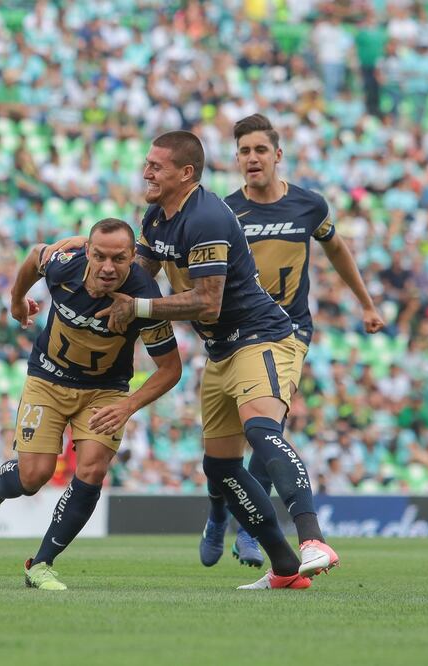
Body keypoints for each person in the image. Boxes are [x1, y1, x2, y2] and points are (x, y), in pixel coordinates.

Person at [47, 131, 334, 590]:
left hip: (261, 337)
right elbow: (138, 276)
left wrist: (138, 309)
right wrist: (94, 260)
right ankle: (284, 569)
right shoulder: (156, 217)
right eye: (147, 163)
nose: (146, 172)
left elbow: (208, 303)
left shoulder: (205, 218)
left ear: (185, 173)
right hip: (220, 351)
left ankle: (313, 540)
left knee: (261, 429)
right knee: (220, 468)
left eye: (155, 166)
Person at [198, 114, 386, 568]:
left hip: (288, 331)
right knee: (223, 449)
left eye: (260, 150)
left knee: (266, 428)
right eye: (244, 151)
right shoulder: (224, 213)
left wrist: (365, 302)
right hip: (236, 334)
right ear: (236, 159)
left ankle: (249, 529)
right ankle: (218, 513)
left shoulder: (309, 206)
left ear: (277, 155)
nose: (252, 158)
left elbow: (336, 248)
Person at [0, 219, 182, 590]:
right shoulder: (65, 264)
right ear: (88, 252)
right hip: (48, 379)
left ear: (133, 257)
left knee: (92, 470)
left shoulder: (144, 296)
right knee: (34, 477)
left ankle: (41, 564)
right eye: (100, 256)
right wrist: (16, 300)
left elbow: (171, 369)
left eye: (119, 258)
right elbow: (35, 257)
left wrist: (128, 406)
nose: (108, 267)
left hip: (105, 391)